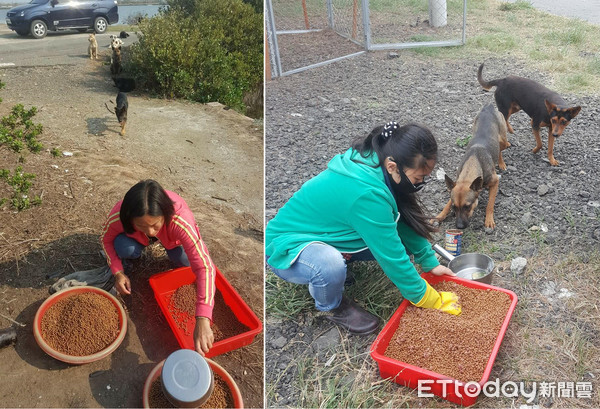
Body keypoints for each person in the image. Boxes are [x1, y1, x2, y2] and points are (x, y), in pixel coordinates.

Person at [265, 122, 461, 335]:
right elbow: (391, 256)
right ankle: (332, 306)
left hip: (325, 232)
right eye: (418, 178)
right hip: (288, 246)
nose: (420, 184)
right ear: (393, 166)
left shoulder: (378, 161)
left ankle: (339, 264)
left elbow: (400, 220)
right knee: (329, 265)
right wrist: (428, 298)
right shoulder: (366, 195)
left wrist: (429, 261)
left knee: (401, 244)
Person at [101, 179, 217, 355]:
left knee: (185, 261)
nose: (150, 232)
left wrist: (202, 317)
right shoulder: (119, 215)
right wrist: (117, 272)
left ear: (165, 214)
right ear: (129, 218)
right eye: (141, 225)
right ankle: (134, 248)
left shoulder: (180, 219)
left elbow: (205, 267)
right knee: (125, 248)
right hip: (134, 240)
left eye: (155, 225)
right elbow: (106, 239)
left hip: (173, 237)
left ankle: (170, 246)